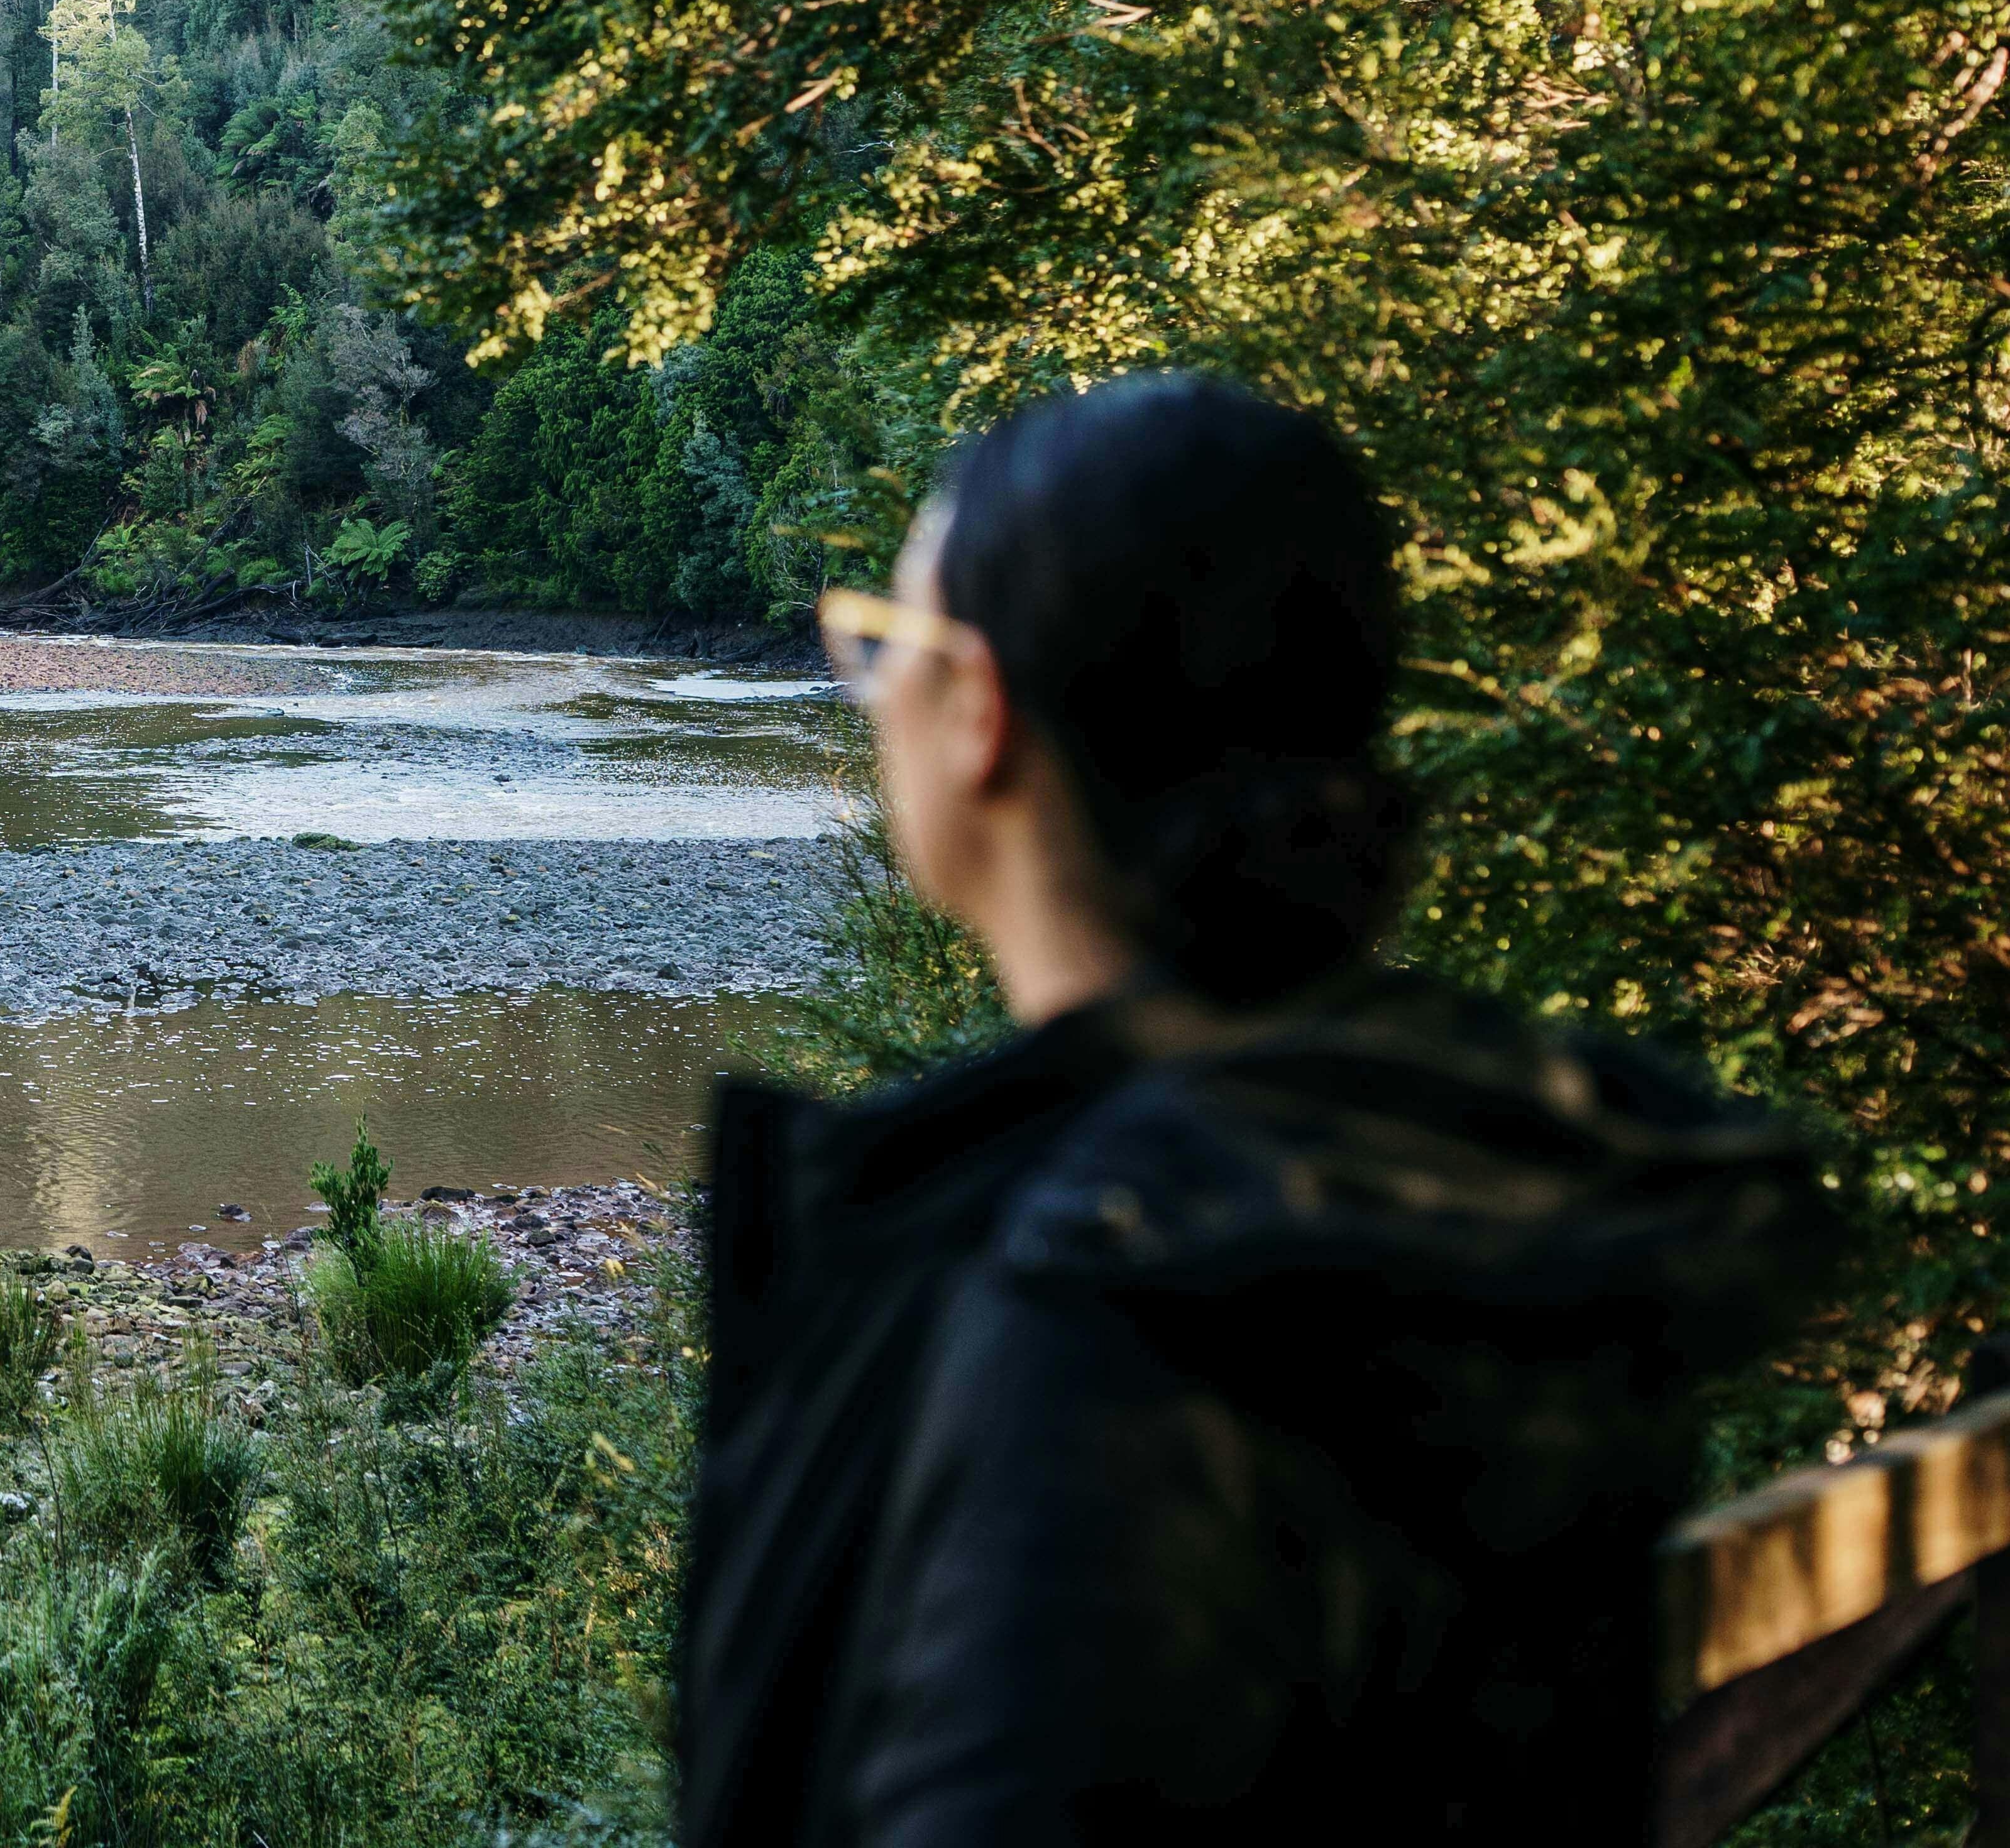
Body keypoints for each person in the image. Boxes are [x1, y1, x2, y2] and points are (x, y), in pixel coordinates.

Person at [677, 373, 1835, 1846]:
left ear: (979, 711)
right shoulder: (1499, 1164)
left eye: (884, 642)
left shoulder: (1113, 1283)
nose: (870, 689)